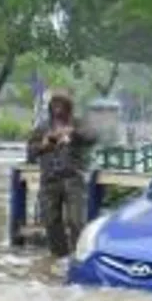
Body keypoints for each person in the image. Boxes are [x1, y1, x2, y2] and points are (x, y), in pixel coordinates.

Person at [27, 93, 98, 257]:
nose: (58, 109)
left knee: (75, 221)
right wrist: (44, 145)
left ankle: (79, 256)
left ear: (68, 107)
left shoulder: (78, 123)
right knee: (50, 220)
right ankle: (59, 256)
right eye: (54, 105)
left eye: (61, 105)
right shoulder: (43, 127)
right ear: (50, 108)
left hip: (73, 178)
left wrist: (73, 134)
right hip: (50, 179)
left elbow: (92, 137)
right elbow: (31, 152)